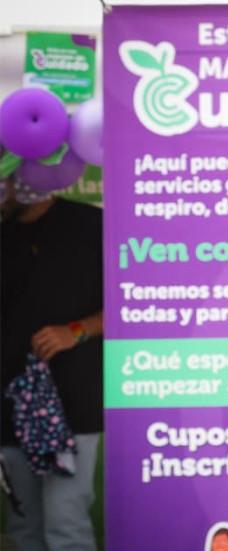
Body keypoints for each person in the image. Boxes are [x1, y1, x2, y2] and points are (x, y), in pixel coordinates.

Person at [1, 174, 104, 550]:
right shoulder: (5, 233)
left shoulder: (88, 226)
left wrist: (75, 330)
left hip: (72, 404)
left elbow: (133, 300)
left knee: (65, 525)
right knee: (24, 528)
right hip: (11, 408)